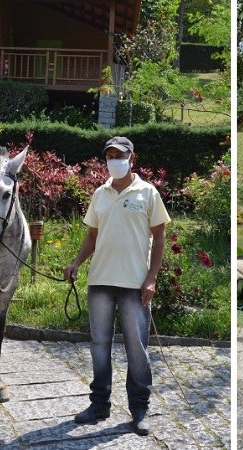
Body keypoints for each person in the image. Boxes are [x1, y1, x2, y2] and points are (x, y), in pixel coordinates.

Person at [63, 136, 170, 436]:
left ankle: (139, 409)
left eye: (120, 155)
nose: (115, 160)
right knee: (99, 346)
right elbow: (92, 237)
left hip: (135, 283)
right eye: (110, 155)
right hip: (100, 280)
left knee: (137, 349)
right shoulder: (100, 194)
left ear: (132, 158)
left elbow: (159, 237)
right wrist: (76, 262)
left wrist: (152, 278)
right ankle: (99, 405)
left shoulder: (148, 193)